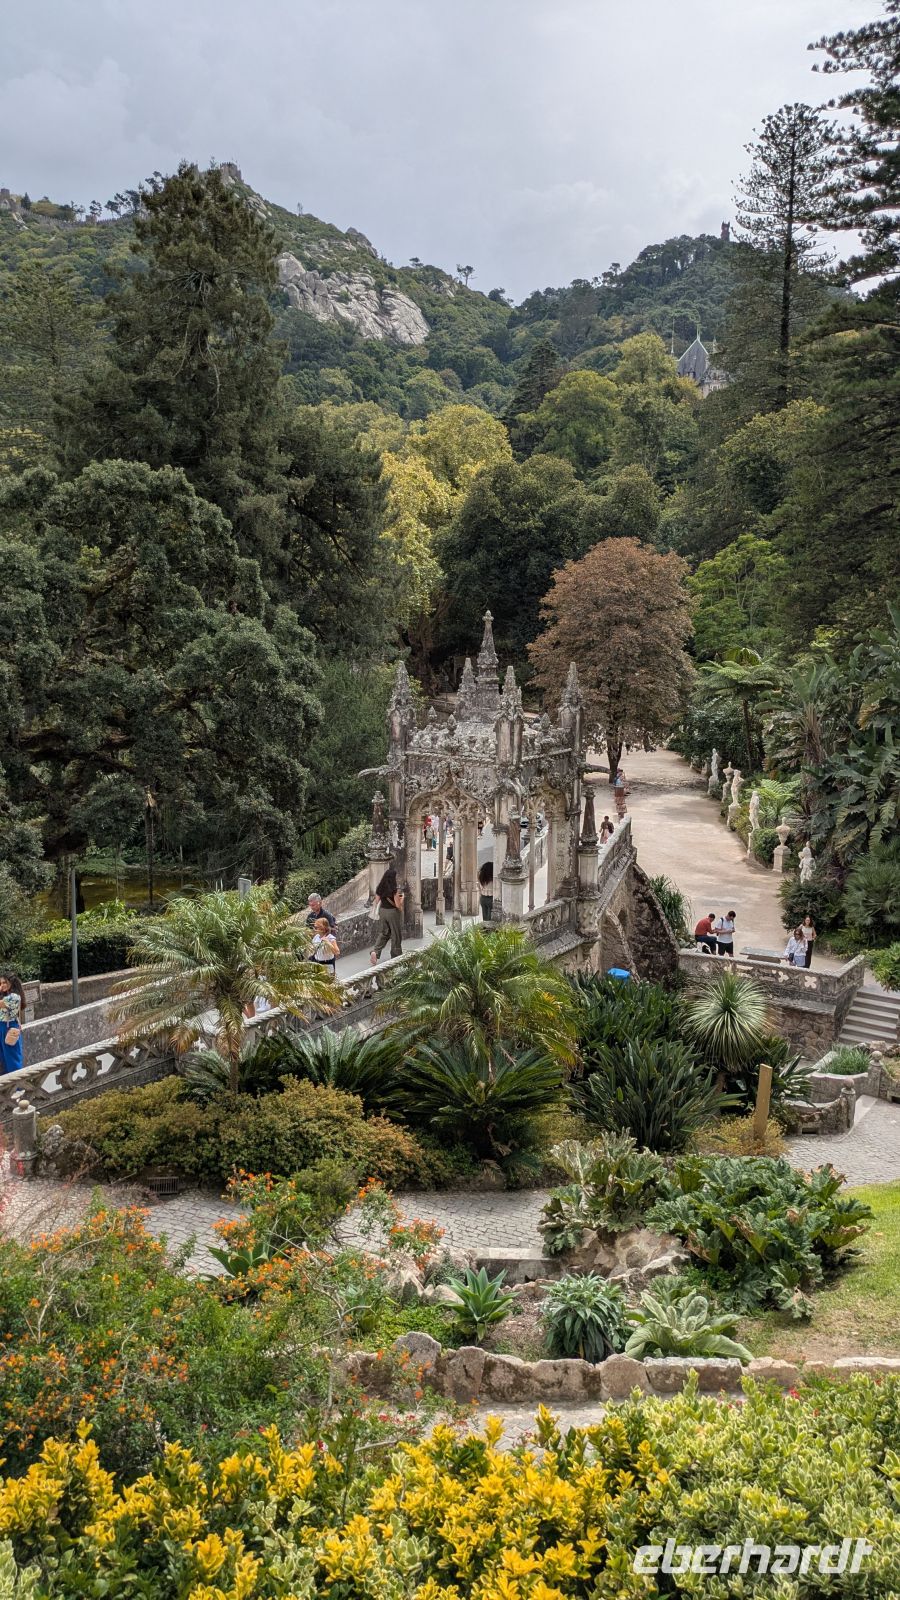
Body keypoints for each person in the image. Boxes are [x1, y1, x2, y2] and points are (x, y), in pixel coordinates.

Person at [370, 869, 404, 964]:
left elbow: (377, 901)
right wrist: (402, 899)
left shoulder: (380, 888)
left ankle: (375, 952)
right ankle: (395, 954)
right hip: (392, 913)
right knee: (396, 933)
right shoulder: (394, 890)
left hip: (382, 911)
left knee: (384, 933)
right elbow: (398, 906)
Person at [0, 974, 25, 1074]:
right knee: (4, 1059)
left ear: (12, 983)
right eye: (1, 983)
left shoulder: (14, 997)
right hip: (2, 1027)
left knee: (12, 1059)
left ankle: (17, 1087)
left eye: (4, 982)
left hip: (8, 1028)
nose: (2, 985)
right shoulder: (6, 996)